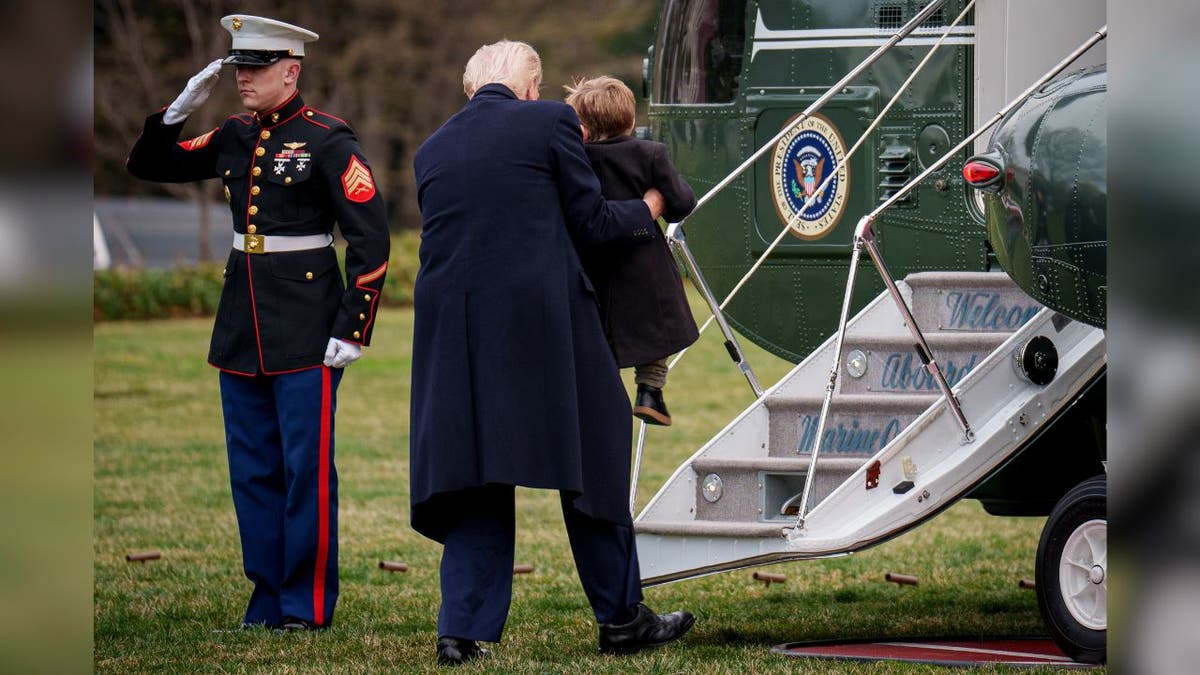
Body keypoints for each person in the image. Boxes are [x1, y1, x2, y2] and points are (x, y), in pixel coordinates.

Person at [410, 40, 695, 665]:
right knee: (595, 455)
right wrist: (648, 211)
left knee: (477, 473)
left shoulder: (431, 148)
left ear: (471, 89)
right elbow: (589, 221)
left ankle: (462, 631)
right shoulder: (551, 122)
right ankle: (622, 620)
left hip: (452, 332)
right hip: (545, 321)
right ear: (532, 86)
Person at [126, 15, 391, 631]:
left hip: (306, 324)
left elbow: (370, 240)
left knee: (305, 472)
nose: (242, 78)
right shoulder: (235, 133)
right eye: (239, 67)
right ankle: (266, 600)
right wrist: (175, 111)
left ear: (291, 70)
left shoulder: (329, 141)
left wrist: (354, 325)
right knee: (252, 471)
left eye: (257, 68)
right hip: (242, 321)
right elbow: (147, 165)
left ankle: (305, 606)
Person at [564, 76, 699, 427]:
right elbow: (682, 205)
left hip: (594, 265)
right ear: (630, 121)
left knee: (603, 334)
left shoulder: (574, 159)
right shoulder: (650, 154)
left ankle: (601, 400)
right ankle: (650, 391)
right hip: (645, 266)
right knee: (657, 330)